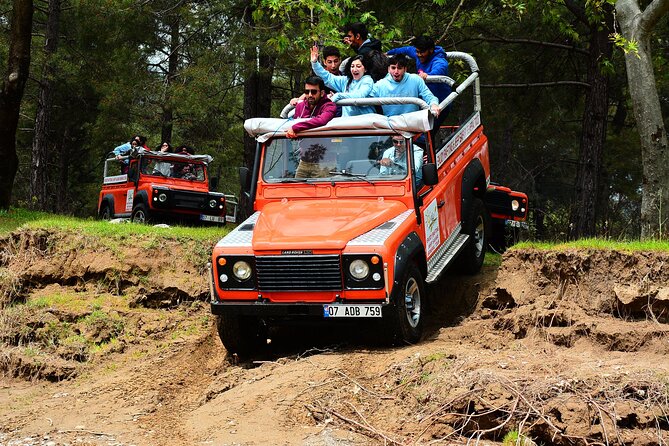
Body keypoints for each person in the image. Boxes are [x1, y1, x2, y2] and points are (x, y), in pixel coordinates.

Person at [387, 36, 451, 136]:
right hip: (424, 100)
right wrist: (388, 53)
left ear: (430, 50)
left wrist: (428, 75)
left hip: (440, 102)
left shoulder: (439, 61)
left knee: (426, 134)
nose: (419, 55)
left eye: (422, 52)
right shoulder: (418, 53)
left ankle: (426, 150)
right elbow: (407, 49)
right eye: (417, 52)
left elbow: (439, 69)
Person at [309, 46, 375, 117]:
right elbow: (327, 77)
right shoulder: (346, 80)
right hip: (347, 122)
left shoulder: (368, 80)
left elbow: (359, 95)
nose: (355, 69)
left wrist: (338, 95)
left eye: (358, 66)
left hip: (365, 122)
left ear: (365, 69)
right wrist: (315, 63)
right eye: (352, 66)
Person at [372, 55, 440, 117]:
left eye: (399, 68)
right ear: (388, 69)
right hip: (390, 124)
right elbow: (366, 99)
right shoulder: (380, 84)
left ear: (405, 69)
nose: (396, 71)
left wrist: (434, 105)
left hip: (412, 122)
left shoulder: (415, 79)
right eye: (393, 68)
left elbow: (429, 96)